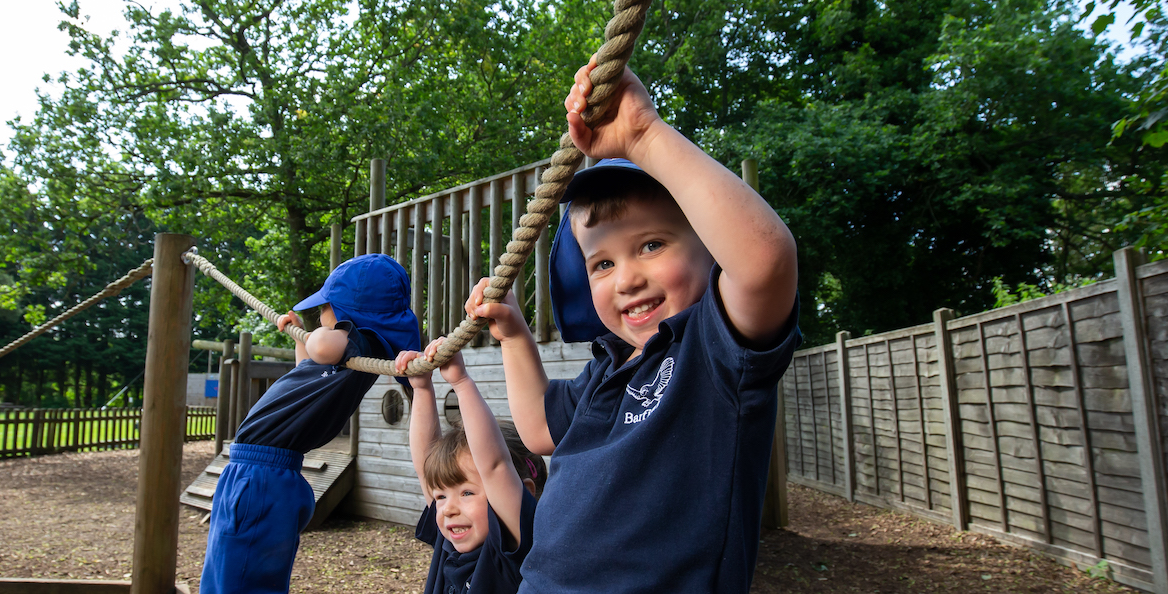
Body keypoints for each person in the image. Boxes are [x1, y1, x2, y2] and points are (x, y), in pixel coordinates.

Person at [465, 55, 802, 592]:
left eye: (651, 245)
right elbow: (538, 428)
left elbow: (766, 263)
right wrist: (514, 335)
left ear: (710, 250)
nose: (626, 279)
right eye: (602, 264)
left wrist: (643, 136)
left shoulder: (712, 350)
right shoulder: (608, 369)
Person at [199, 253, 421, 594]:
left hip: (261, 474)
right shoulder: (348, 350)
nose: (319, 316)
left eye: (324, 307)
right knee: (227, 570)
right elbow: (309, 369)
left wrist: (314, 335)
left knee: (239, 578)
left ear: (347, 313)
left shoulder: (360, 340)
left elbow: (322, 344)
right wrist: (300, 337)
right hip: (256, 469)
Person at [398, 339, 544, 594]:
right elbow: (426, 467)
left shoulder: (516, 551)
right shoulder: (450, 542)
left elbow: (495, 466)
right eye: (441, 496)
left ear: (525, 491)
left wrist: (461, 383)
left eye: (466, 492)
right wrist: (421, 389)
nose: (448, 509)